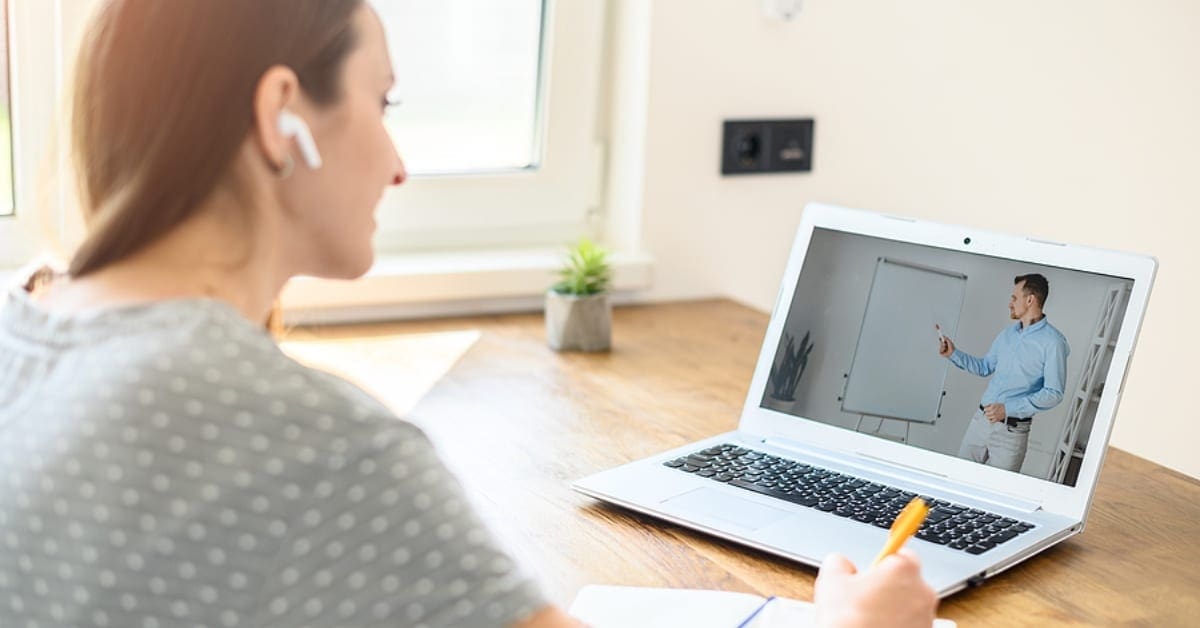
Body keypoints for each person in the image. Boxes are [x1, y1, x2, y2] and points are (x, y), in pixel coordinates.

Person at [0, 1, 937, 626]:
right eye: (383, 102)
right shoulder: (303, 442)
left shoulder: (22, 325)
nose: (399, 163)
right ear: (281, 115)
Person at [938, 273, 1070, 472]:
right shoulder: (1007, 334)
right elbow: (985, 367)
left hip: (1011, 435)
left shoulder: (1054, 343)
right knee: (958, 480)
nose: (1010, 303)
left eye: (1014, 298)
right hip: (979, 424)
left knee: (993, 494)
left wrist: (1008, 409)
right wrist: (953, 354)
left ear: (1030, 300)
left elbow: (1053, 393)